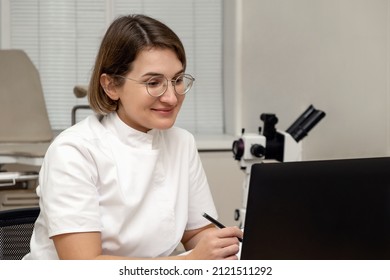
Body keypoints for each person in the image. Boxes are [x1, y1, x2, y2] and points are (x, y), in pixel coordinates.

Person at [23, 14, 242, 260]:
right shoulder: (73, 150)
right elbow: (83, 266)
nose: (171, 97)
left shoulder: (182, 143)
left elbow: (197, 233)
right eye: (153, 82)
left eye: (177, 80)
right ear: (111, 86)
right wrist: (189, 262)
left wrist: (223, 249)